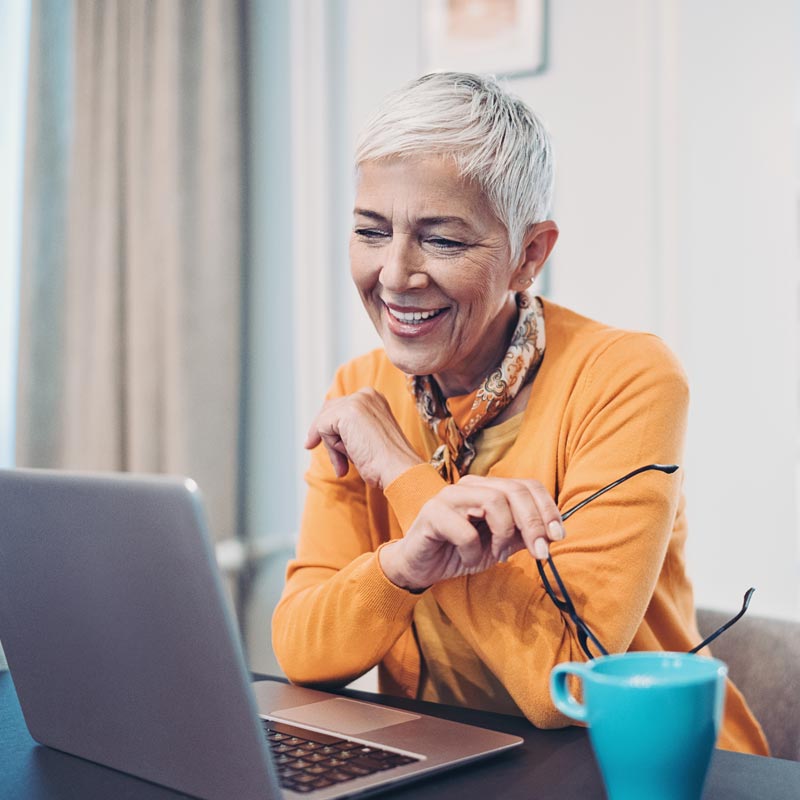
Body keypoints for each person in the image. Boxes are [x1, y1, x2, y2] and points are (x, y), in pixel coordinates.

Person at [271, 72, 768, 755]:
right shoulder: (359, 392)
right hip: (456, 764)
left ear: (528, 256)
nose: (393, 274)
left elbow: (566, 684)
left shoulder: (629, 378)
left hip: (648, 768)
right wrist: (405, 565)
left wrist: (404, 476)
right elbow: (303, 649)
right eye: (371, 231)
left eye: (441, 240)